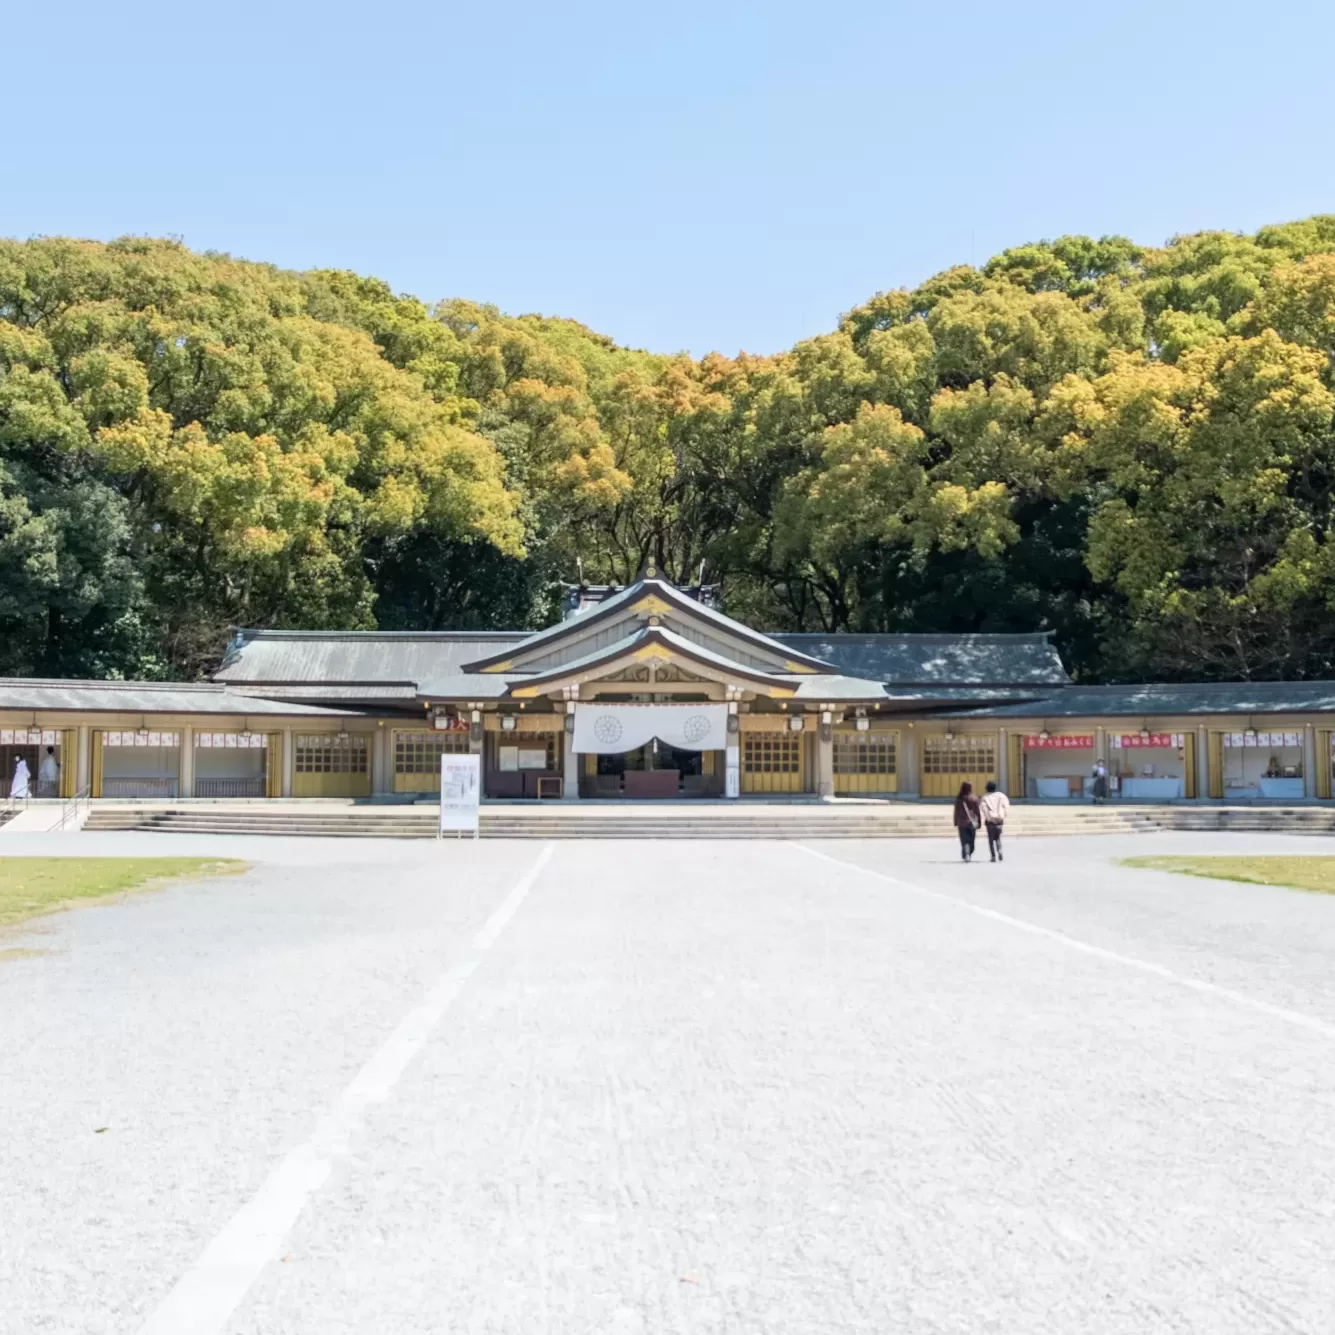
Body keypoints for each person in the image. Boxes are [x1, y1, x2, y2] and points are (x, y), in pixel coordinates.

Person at [979, 780, 1009, 862]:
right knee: (998, 838)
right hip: (999, 820)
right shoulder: (1001, 796)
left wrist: (988, 817)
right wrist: (1003, 815)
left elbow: (983, 808)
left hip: (990, 822)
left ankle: (993, 856)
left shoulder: (985, 797)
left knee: (991, 840)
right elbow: (1006, 806)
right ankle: (1000, 850)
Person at [953, 781, 981, 862]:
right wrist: (979, 822)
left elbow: (956, 811)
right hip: (972, 822)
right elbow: (977, 812)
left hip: (962, 822)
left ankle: (966, 854)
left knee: (964, 840)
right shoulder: (974, 798)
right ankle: (968, 854)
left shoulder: (959, 799)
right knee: (971, 840)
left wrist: (955, 821)